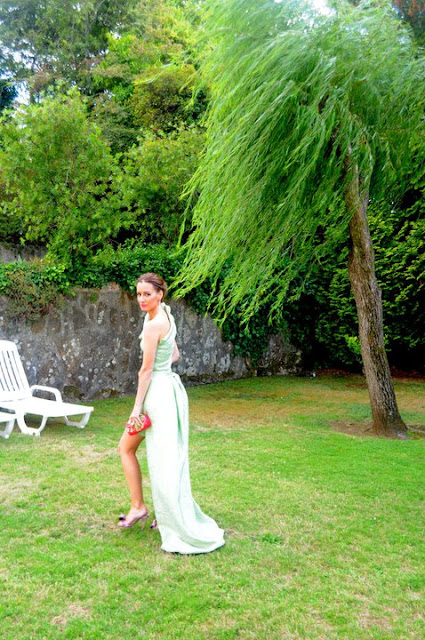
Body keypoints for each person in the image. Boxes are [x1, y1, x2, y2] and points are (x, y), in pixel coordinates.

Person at [117, 272, 225, 554]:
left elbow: (146, 371)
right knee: (140, 451)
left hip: (157, 396)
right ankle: (143, 508)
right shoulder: (164, 314)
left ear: (160, 294)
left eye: (147, 294)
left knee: (150, 456)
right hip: (167, 390)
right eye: (138, 294)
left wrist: (136, 408)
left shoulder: (154, 324)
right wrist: (162, 366)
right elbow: (174, 354)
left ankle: (148, 510)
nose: (142, 299)